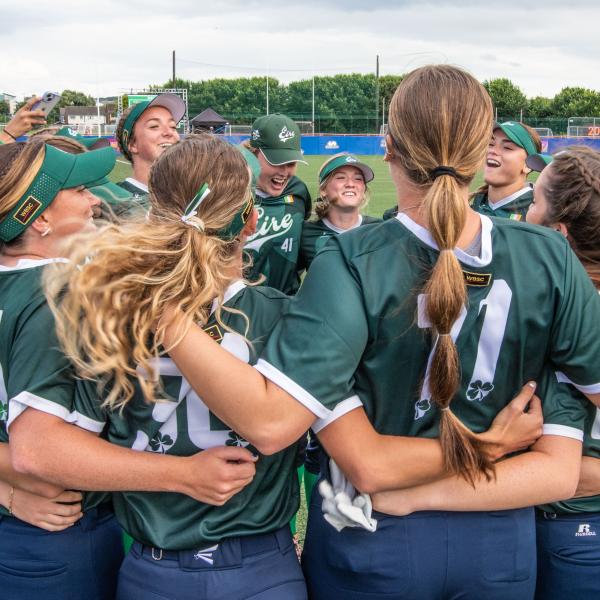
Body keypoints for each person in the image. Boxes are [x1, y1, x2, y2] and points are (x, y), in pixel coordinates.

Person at [156, 65, 600, 599]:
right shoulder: (547, 254)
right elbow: (559, 466)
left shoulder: (349, 257)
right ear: (481, 148)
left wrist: (166, 314)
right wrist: (489, 446)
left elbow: (274, 424)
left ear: (387, 147)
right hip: (498, 538)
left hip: (369, 536)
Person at [24, 134, 308, 600]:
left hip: (153, 570)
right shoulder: (288, 315)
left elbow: (44, 448)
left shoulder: (106, 312)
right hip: (261, 567)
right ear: (251, 220)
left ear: (153, 214)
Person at [0, 136, 124, 600]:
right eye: (79, 190)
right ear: (40, 216)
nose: (95, 200)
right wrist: (182, 475)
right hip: (62, 538)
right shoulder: (57, 293)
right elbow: (42, 456)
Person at [525, 146, 600, 600]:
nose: (521, 214)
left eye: (531, 202)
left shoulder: (568, 313)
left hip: (570, 526)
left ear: (559, 232)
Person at [242, 113, 311, 294]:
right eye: (276, 162)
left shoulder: (298, 191)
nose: (284, 172)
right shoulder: (231, 191)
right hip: (235, 310)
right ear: (253, 153)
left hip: (285, 308)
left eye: (291, 163)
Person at [300, 152, 380, 270]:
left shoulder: (379, 230)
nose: (350, 184)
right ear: (323, 190)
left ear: (364, 189)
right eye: (341, 178)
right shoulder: (305, 234)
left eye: (358, 178)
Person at [114, 93, 185, 212]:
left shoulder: (191, 195)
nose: (169, 132)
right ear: (132, 144)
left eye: (173, 126)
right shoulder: (115, 201)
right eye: (154, 126)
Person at [470, 121, 542, 221]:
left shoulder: (538, 215)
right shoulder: (472, 208)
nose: (492, 151)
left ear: (528, 165)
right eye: (491, 144)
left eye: (507, 148)